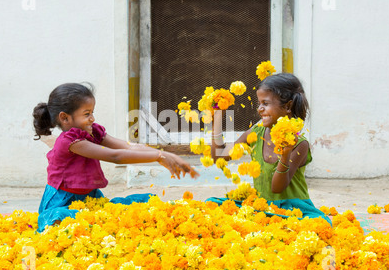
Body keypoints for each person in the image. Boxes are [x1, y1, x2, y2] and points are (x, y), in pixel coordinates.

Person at [33, 82, 198, 232]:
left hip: (89, 196)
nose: (92, 118)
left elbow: (127, 146)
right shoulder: (69, 142)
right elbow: (115, 156)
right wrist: (158, 156)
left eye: (92, 112)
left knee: (108, 222)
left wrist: (165, 154)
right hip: (63, 200)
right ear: (65, 118)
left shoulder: (92, 131)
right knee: (67, 224)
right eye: (86, 114)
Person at [210, 73, 331, 225]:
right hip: (262, 207)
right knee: (212, 204)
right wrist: (217, 118)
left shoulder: (299, 143)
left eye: (265, 104)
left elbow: (277, 188)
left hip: (291, 209)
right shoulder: (257, 133)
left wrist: (285, 153)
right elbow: (220, 156)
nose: (260, 109)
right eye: (259, 103)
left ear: (287, 106)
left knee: (316, 225)